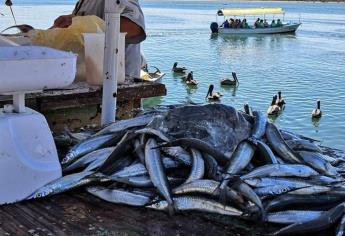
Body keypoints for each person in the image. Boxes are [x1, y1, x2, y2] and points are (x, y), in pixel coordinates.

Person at [52, 0, 146, 80]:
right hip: (92, 82)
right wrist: (55, 30)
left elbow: (134, 27)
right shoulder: (82, 2)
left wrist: (83, 23)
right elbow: (79, 27)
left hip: (120, 85)